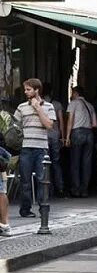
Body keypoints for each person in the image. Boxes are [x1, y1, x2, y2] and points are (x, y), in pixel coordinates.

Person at [15, 79, 56, 218]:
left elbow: (49, 125)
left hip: (41, 148)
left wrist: (38, 108)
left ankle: (43, 208)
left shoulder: (49, 106)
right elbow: (15, 127)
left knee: (42, 180)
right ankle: (25, 210)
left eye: (28, 89)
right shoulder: (21, 107)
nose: (25, 92)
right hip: (26, 147)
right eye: (25, 89)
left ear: (37, 90)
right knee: (25, 181)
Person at [64, 86, 97, 197]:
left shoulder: (73, 103)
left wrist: (67, 137)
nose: (71, 95)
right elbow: (95, 124)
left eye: (72, 93)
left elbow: (70, 120)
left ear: (76, 93)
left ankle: (76, 189)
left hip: (77, 132)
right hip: (89, 133)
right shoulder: (90, 106)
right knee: (86, 163)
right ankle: (85, 190)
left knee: (75, 162)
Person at [45, 94, 65, 197]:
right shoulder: (57, 104)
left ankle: (47, 189)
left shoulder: (40, 104)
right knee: (56, 163)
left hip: (44, 136)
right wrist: (63, 136)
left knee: (45, 163)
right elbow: (61, 121)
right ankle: (60, 188)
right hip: (55, 135)